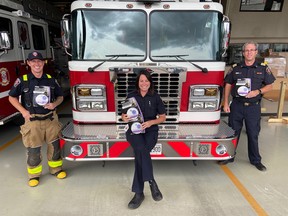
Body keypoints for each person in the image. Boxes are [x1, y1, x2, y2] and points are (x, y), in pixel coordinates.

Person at [8, 51, 66, 187]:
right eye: (33, 61)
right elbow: (11, 97)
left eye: (39, 61)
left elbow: (61, 97)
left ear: (43, 63)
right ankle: (34, 175)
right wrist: (23, 112)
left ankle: (56, 169)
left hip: (51, 119)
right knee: (33, 150)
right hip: (32, 121)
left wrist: (54, 104)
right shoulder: (23, 80)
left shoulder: (51, 79)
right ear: (28, 63)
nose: (37, 64)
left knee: (55, 146)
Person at [219, 41, 275, 171]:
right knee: (233, 132)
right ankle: (229, 156)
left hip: (253, 107)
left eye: (252, 50)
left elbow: (270, 85)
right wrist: (225, 102)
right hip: (237, 106)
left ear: (256, 52)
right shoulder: (235, 67)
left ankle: (256, 160)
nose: (249, 52)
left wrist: (258, 91)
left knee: (253, 133)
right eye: (246, 50)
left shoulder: (263, 68)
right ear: (243, 53)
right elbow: (227, 84)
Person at [122, 70, 166, 209]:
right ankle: (152, 181)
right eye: (141, 81)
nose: (144, 83)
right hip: (134, 131)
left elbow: (163, 117)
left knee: (140, 155)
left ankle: (139, 194)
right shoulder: (131, 96)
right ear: (138, 82)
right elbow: (123, 116)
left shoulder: (155, 97)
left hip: (151, 131)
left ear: (150, 82)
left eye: (146, 81)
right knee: (141, 150)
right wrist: (125, 118)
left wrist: (151, 123)